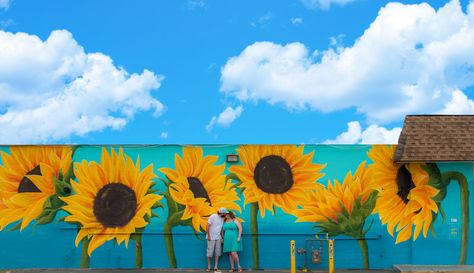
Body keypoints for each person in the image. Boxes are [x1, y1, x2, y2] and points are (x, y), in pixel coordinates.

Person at [206, 207, 228, 272]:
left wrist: (222, 237)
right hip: (211, 237)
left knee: (218, 252)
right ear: (222, 213)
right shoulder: (212, 216)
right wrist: (209, 236)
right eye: (225, 213)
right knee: (210, 252)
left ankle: (216, 266)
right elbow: (207, 226)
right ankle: (209, 266)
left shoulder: (222, 219)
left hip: (218, 237)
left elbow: (221, 228)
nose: (225, 214)